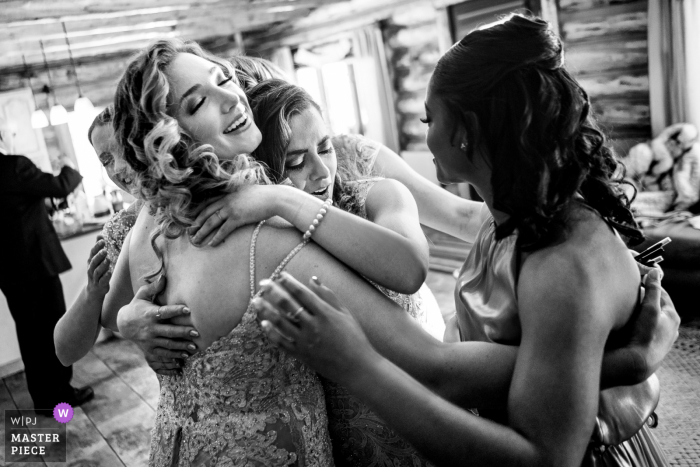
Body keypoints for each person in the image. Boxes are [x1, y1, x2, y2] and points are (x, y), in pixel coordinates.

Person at [99, 38, 678, 467]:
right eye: (203, 97)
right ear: (165, 141)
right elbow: (112, 311)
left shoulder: (327, 181)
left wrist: (590, 333)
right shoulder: (180, 223)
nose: (232, 100)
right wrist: (132, 320)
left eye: (225, 79)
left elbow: (444, 250)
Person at [0, 114, 94, 409]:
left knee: (28, 335)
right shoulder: (13, 166)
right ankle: (60, 394)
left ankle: (42, 396)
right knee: (52, 328)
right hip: (36, 265)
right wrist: (67, 162)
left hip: (8, 271)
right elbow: (61, 185)